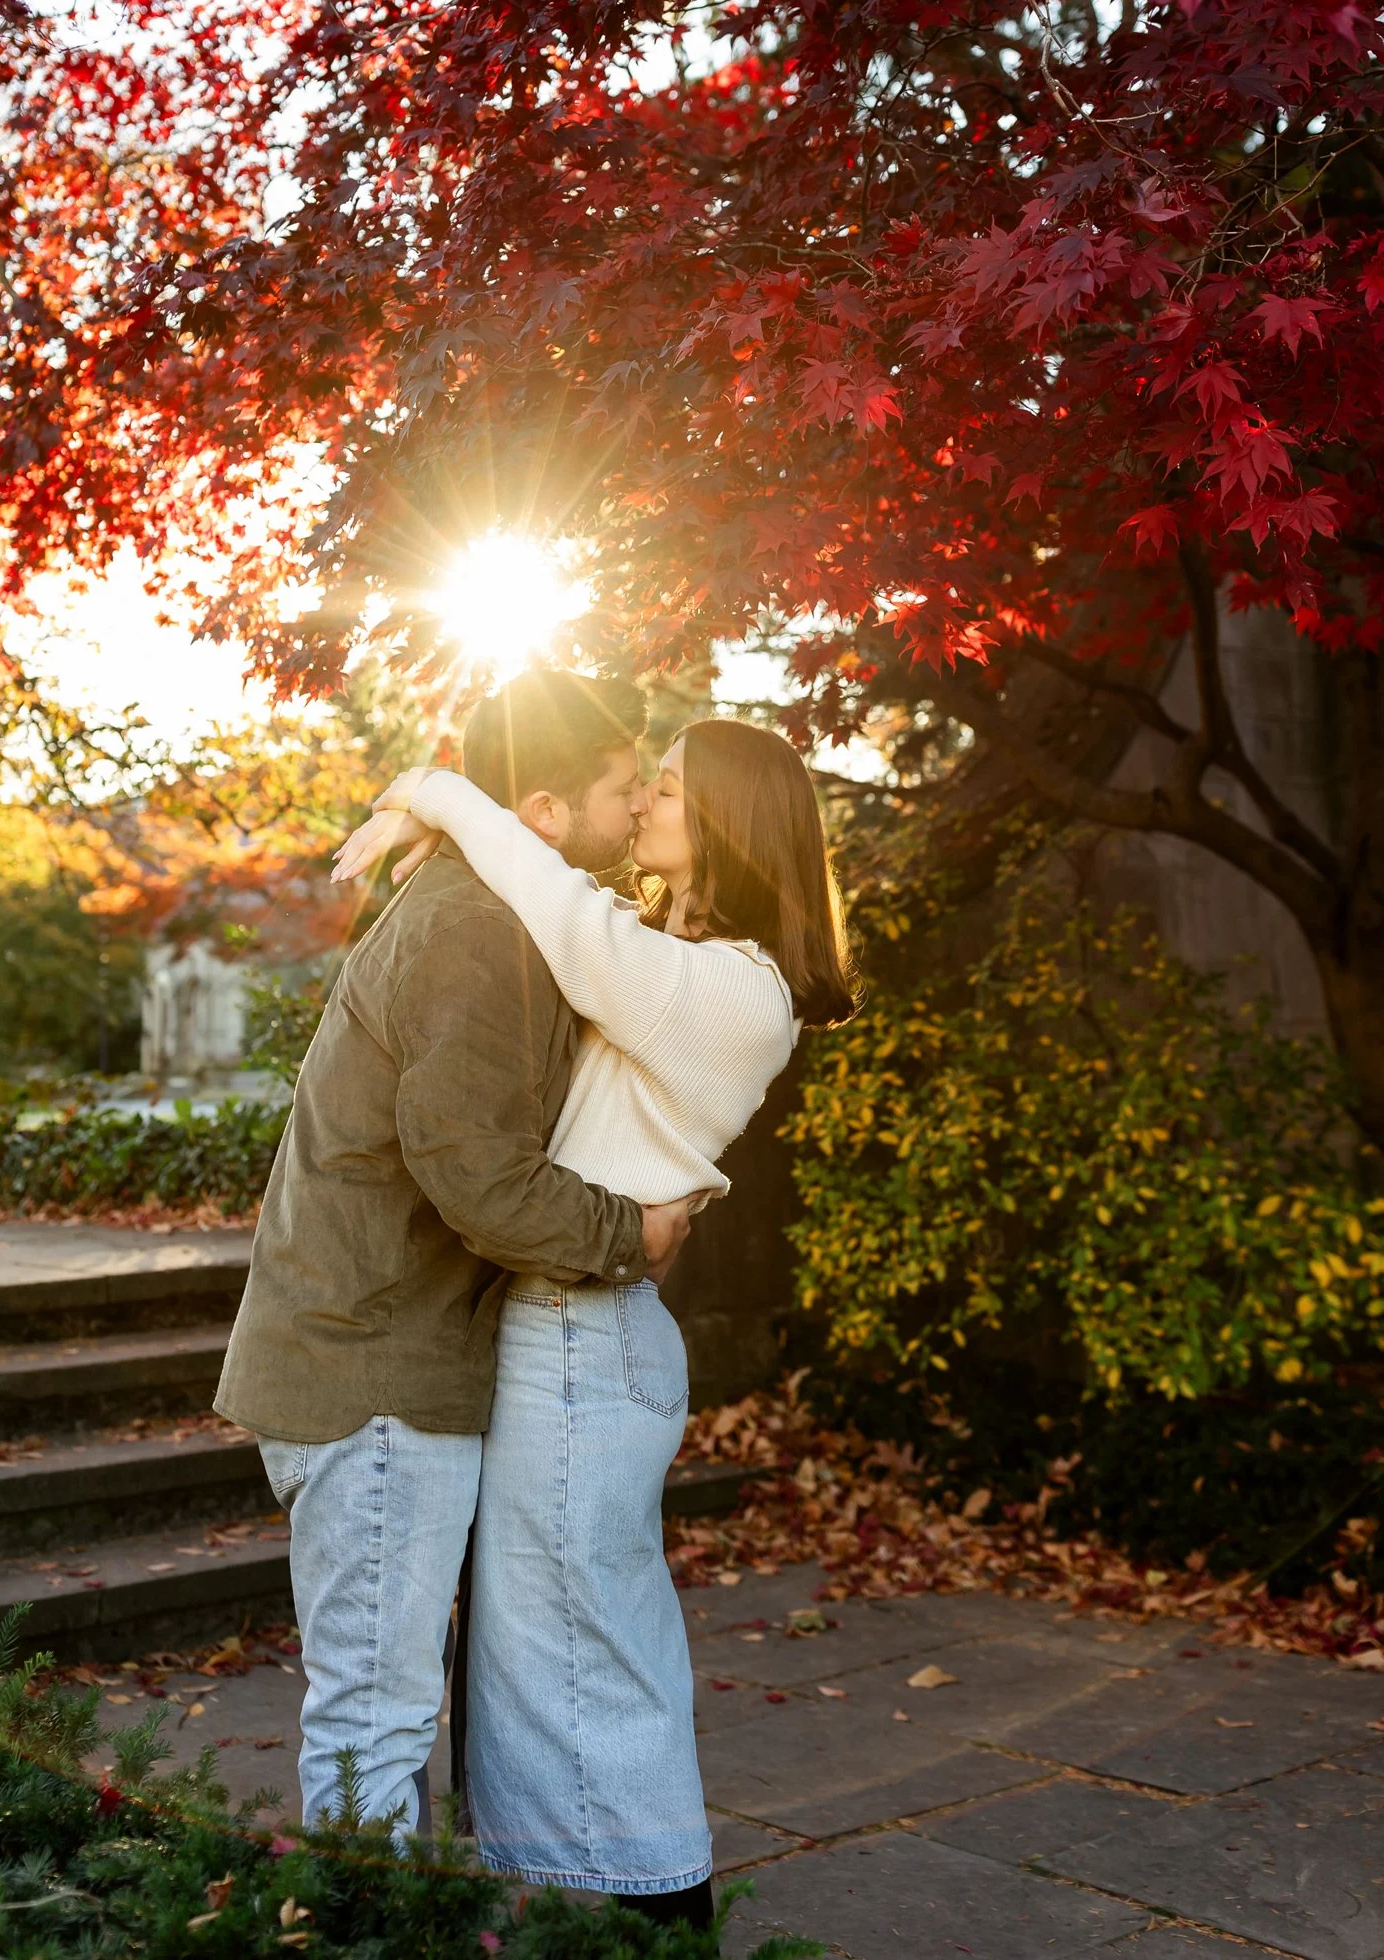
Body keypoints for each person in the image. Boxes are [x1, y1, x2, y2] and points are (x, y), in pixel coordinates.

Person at [336, 714, 855, 1924]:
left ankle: (655, 1925)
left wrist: (435, 791)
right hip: (566, 1327)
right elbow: (567, 910)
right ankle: (579, 1919)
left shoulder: (731, 991)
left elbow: (562, 915)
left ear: (726, 821)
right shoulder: (674, 956)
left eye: (666, 788)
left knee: (580, 1659)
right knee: (544, 1654)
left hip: (580, 1336)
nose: (643, 805)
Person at [214, 670, 695, 1837]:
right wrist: (628, 1235)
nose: (637, 806)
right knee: (374, 1724)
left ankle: (406, 1913)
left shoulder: (497, 904)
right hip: (373, 1375)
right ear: (542, 811)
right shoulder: (479, 930)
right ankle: (367, 1919)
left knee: (387, 1717)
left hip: (387, 1359)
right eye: (621, 787)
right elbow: (475, 1173)